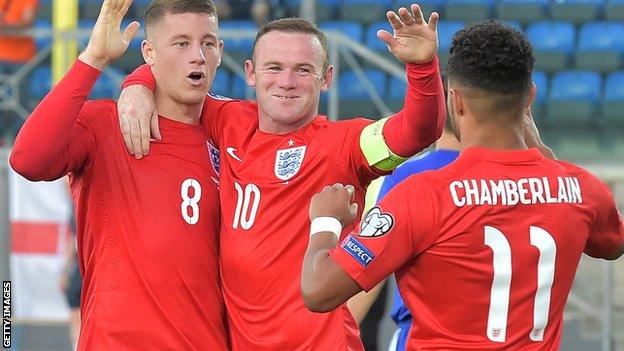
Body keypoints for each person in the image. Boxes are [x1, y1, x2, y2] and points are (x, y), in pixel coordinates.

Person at [118, 4, 446, 350]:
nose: (287, 82)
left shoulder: (345, 144)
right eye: (274, 67)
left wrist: (423, 67)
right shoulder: (227, 121)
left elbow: (416, 131)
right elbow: (172, 80)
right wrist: (136, 84)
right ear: (251, 72)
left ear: (327, 78)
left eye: (303, 70)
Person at [302, 20, 624, 351]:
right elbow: (613, 245)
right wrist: (543, 155)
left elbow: (318, 290)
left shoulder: (421, 194)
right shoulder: (581, 189)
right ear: (530, 96)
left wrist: (325, 222)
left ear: (454, 101)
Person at [9, 0, 228, 349]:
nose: (198, 55)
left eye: (208, 43)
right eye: (182, 43)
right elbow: (28, 159)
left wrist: (137, 81)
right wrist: (92, 59)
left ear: (220, 51)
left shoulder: (232, 136)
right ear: (149, 52)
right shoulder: (105, 124)